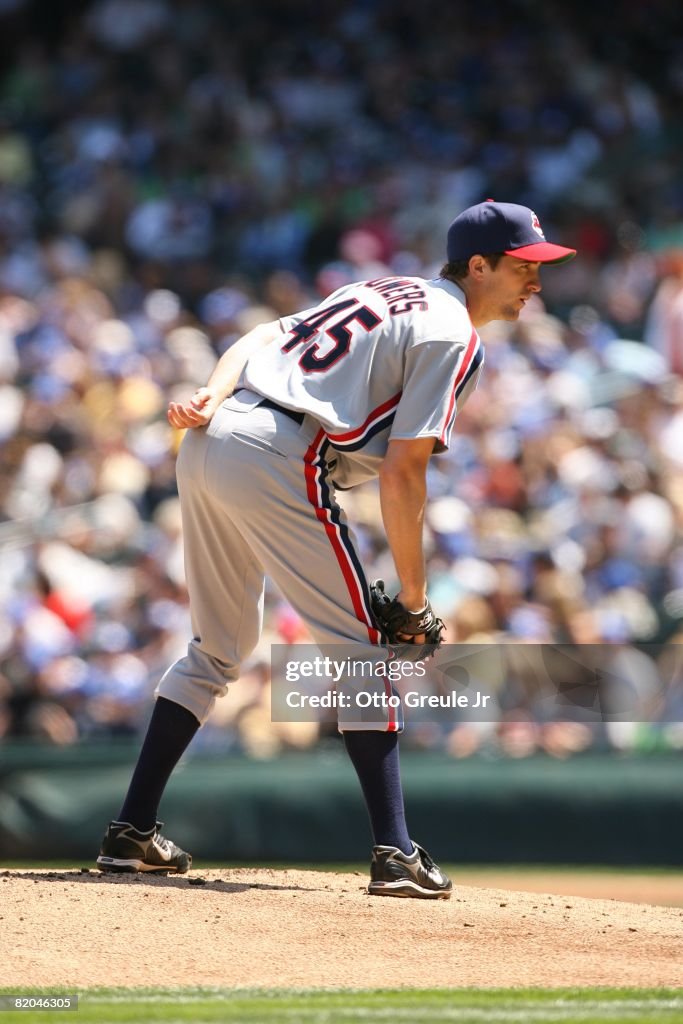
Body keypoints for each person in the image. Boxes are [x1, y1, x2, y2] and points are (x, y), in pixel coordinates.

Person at [96, 200, 576, 898]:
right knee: (360, 651)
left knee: (218, 646)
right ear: (478, 266)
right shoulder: (451, 333)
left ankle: (131, 830)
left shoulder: (377, 289)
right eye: (523, 266)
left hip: (213, 439)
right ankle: (395, 851)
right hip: (279, 450)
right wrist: (413, 599)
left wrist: (211, 392)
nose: (536, 280)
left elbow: (259, 334)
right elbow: (404, 472)